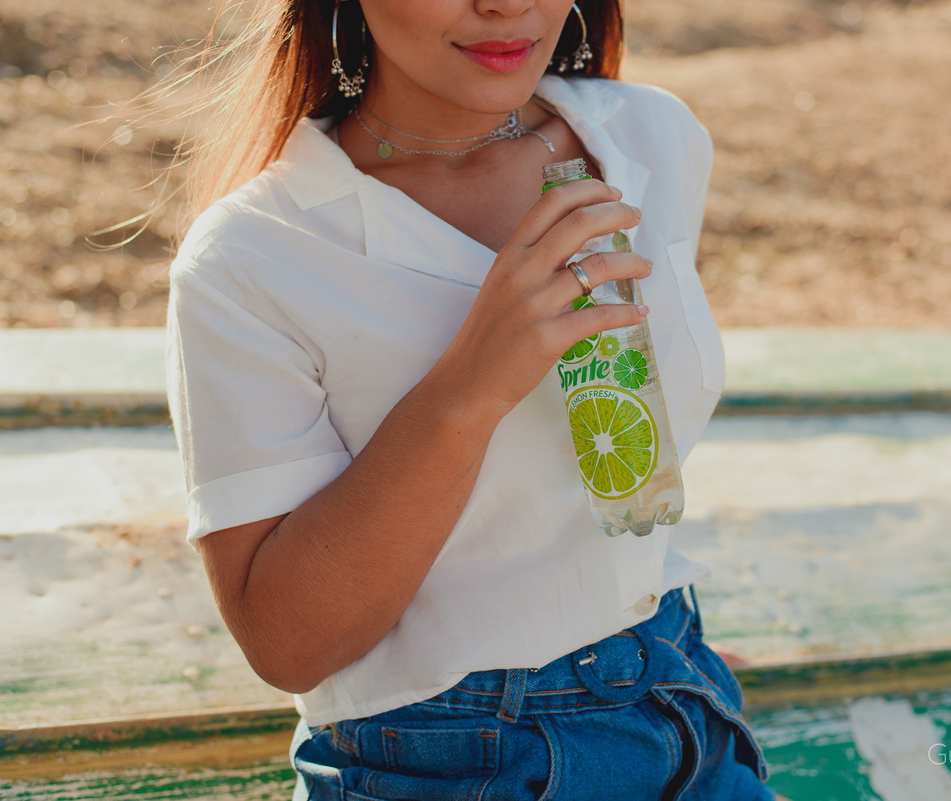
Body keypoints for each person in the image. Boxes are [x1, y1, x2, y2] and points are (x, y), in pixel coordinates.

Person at [164, 0, 785, 798]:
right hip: (444, 762)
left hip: (681, 704)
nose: (506, 3)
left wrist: (625, 651)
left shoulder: (649, 136)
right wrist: (471, 385)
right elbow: (287, 643)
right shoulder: (252, 255)